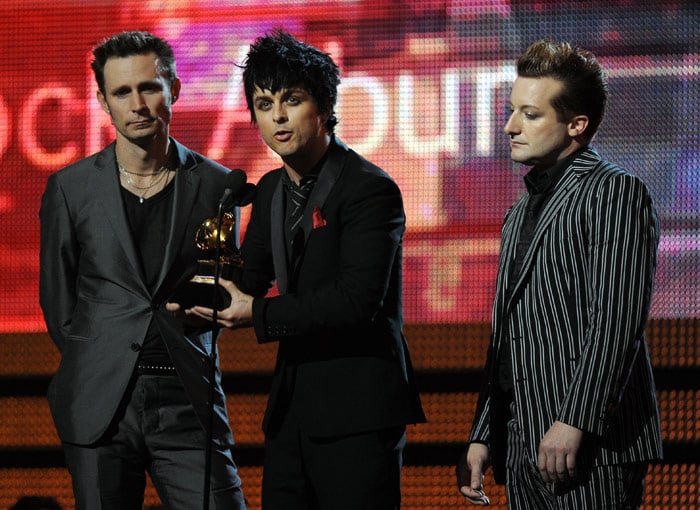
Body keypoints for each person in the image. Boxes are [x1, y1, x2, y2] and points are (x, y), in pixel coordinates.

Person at [181, 30, 426, 509]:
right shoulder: (270, 188)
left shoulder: (369, 189)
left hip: (358, 412)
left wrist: (260, 315)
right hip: (291, 414)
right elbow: (245, 283)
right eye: (263, 102)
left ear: (324, 107)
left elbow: (357, 300)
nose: (277, 116)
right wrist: (181, 299)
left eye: (291, 100)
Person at [39, 31, 246, 509]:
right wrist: (100, 357)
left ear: (173, 88)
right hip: (100, 403)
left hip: (187, 399)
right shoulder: (70, 189)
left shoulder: (217, 186)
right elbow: (59, 302)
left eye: (149, 87)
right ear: (102, 101)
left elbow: (223, 289)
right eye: (121, 91)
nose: (137, 103)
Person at [457, 39, 662, 508]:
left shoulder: (615, 192)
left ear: (576, 125)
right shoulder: (518, 212)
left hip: (589, 450)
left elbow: (616, 322)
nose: (509, 126)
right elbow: (506, 339)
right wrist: (484, 433)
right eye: (512, 111)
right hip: (523, 444)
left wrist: (576, 420)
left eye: (530, 114)